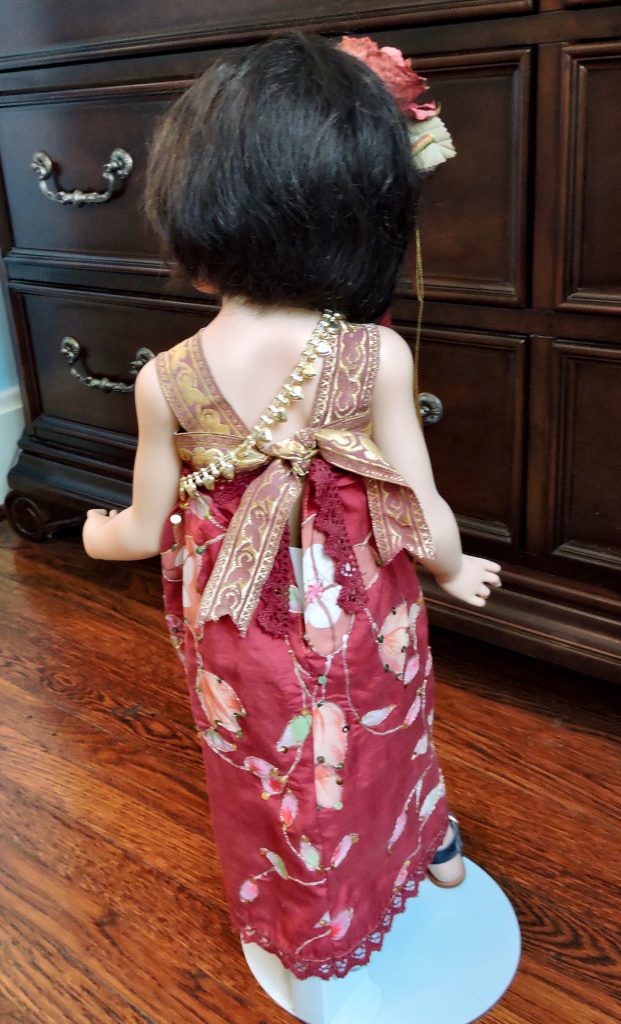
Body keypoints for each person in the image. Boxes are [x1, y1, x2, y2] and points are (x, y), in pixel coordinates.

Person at [82, 32, 501, 982]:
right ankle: (430, 843)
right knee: (388, 727)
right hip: (364, 610)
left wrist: (98, 535)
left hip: (240, 628)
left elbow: (142, 527)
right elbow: (419, 503)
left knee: (269, 764)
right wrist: (451, 567)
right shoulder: (373, 356)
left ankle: (310, 911)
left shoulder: (164, 380)